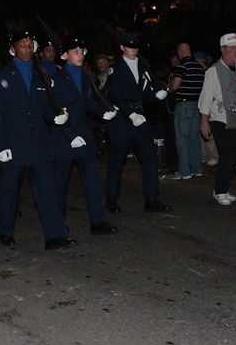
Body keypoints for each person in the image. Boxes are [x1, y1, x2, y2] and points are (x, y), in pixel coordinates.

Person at [0, 31, 77, 250]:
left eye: (30, 45)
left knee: (47, 188)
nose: (27, 49)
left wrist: (56, 115)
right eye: (22, 45)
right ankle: (5, 231)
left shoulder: (42, 75)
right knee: (9, 189)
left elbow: (44, 108)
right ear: (13, 50)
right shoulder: (2, 76)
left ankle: (55, 235)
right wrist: (1, 145)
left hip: (38, 143)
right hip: (13, 143)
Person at [51, 37, 119, 235]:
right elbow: (55, 111)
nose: (80, 54)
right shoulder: (56, 79)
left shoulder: (85, 76)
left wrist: (102, 112)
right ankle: (56, 224)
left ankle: (98, 222)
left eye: (81, 50)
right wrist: (70, 135)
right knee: (60, 184)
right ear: (65, 55)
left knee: (91, 179)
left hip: (83, 134)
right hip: (64, 136)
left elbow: (86, 104)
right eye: (75, 51)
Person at [104, 32, 172, 213]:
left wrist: (156, 96)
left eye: (135, 47)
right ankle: (111, 199)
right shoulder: (116, 69)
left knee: (150, 157)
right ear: (122, 47)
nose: (133, 50)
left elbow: (141, 92)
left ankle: (151, 198)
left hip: (139, 116)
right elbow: (116, 95)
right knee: (117, 160)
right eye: (129, 47)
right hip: (122, 119)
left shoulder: (142, 66)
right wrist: (130, 114)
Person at [198, 33, 236, 205]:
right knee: (228, 155)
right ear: (223, 49)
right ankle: (220, 191)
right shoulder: (214, 71)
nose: (235, 51)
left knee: (232, 156)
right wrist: (204, 120)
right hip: (220, 119)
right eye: (231, 48)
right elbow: (206, 97)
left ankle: (222, 188)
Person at [169, 42, 205, 180]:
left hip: (183, 106)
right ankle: (197, 168)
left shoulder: (182, 66)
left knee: (182, 139)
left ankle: (184, 170)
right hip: (197, 105)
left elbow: (176, 85)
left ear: (180, 53)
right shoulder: (199, 67)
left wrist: (170, 86)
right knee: (195, 139)